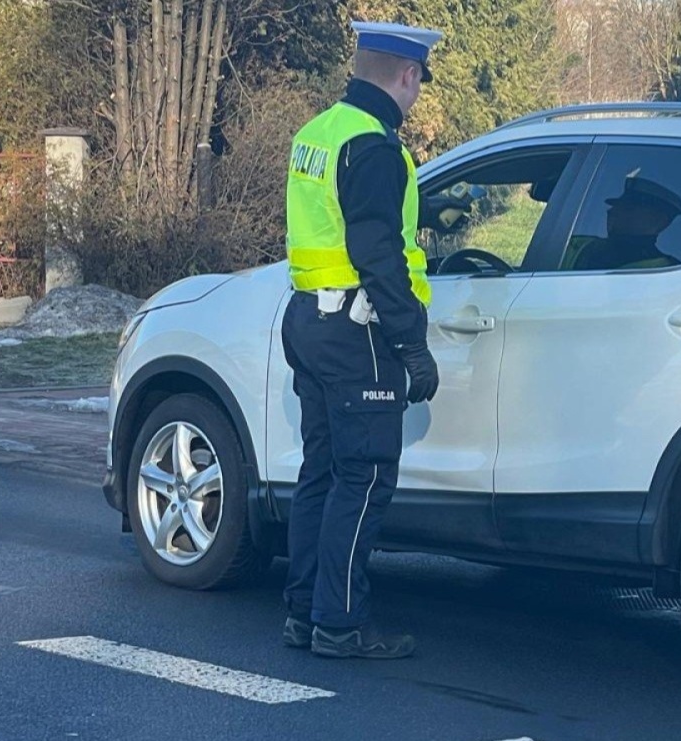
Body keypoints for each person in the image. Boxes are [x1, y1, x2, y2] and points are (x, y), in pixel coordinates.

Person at [279, 20, 464, 660]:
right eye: (418, 84)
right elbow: (377, 251)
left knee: (323, 472)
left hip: (309, 317)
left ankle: (304, 614)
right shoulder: (376, 147)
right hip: (356, 330)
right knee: (364, 478)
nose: (415, 97)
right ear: (407, 76)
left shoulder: (320, 133)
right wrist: (412, 341)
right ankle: (341, 625)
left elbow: (343, 223)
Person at [571, 173, 681, 271]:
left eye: (628, 208)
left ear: (660, 221)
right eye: (616, 205)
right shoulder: (576, 244)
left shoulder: (664, 270)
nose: (611, 211)